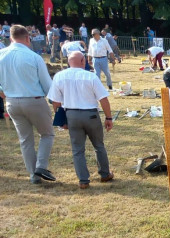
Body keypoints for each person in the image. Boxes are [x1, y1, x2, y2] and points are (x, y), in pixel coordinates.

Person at [47, 52, 114, 189]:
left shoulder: (59, 76)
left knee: (77, 150)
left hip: (71, 115)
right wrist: (108, 117)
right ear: (83, 61)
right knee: (99, 146)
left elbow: (55, 102)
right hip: (91, 115)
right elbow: (103, 99)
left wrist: (61, 120)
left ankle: (83, 180)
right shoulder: (90, 76)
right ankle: (105, 174)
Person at [0, 25, 56, 184]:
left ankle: (33, 175)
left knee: (25, 140)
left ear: (10, 38)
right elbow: (47, 84)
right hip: (34, 100)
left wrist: (3, 90)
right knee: (47, 134)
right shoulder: (33, 57)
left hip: (12, 102)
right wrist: (55, 101)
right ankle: (41, 166)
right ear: (27, 38)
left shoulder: (1, 55)